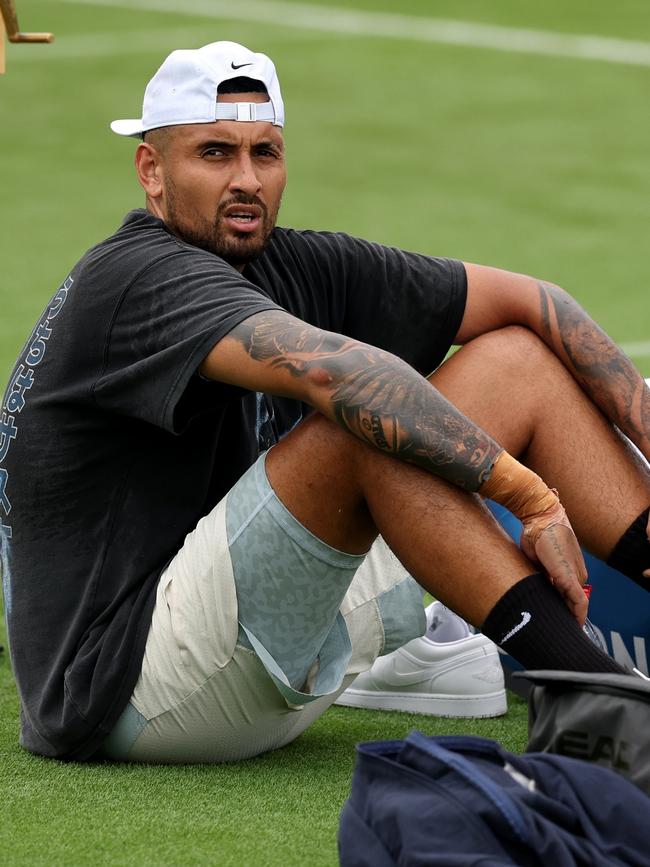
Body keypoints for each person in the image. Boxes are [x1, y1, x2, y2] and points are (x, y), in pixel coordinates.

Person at [1, 40, 649, 764]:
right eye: (215, 153)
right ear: (152, 172)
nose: (246, 180)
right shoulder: (136, 276)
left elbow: (538, 302)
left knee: (516, 361)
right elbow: (341, 381)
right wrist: (530, 498)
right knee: (367, 418)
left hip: (259, 636)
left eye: (265, 153)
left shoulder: (283, 260)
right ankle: (608, 702)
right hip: (126, 688)